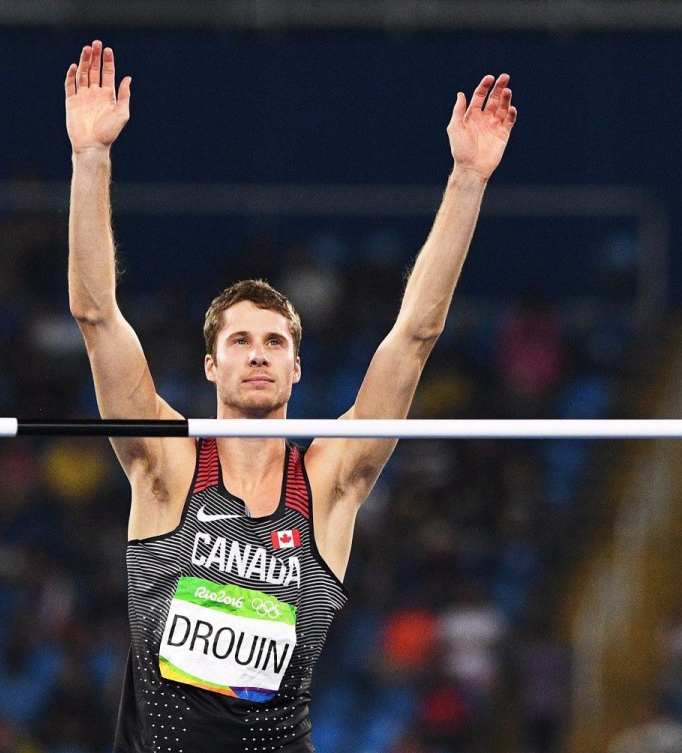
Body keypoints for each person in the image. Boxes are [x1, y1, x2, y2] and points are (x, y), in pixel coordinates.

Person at [65, 39, 516, 753]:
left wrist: (466, 179)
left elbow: (414, 337)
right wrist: (90, 160)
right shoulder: (166, 466)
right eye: (239, 341)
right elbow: (97, 318)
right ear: (210, 366)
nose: (256, 354)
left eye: (274, 342)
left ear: (297, 369)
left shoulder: (329, 482)